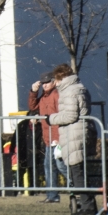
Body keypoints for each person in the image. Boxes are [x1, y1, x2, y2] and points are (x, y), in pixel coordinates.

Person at [46, 64, 96, 215]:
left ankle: (88, 207)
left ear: (61, 78)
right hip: (80, 132)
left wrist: (51, 119)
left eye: (56, 79)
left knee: (77, 172)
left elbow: (70, 115)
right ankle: (88, 204)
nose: (55, 83)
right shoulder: (80, 87)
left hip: (74, 133)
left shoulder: (69, 92)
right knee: (79, 172)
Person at [26, 74, 63, 203]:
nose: (44, 85)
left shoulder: (56, 95)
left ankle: (82, 190)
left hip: (58, 138)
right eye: (43, 83)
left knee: (61, 166)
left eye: (47, 82)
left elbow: (61, 115)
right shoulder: (44, 96)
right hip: (49, 138)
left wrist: (59, 137)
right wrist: (33, 92)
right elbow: (33, 107)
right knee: (50, 166)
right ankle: (52, 195)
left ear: (53, 82)